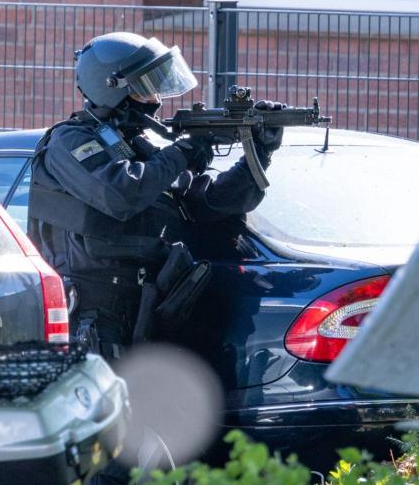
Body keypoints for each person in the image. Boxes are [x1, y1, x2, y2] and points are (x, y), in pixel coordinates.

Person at [27, 31, 284, 360]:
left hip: (148, 306)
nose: (155, 99)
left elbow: (211, 203)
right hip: (93, 315)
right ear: (112, 86)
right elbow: (119, 194)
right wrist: (185, 150)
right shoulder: (70, 141)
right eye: (145, 86)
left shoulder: (142, 147)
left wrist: (259, 152)